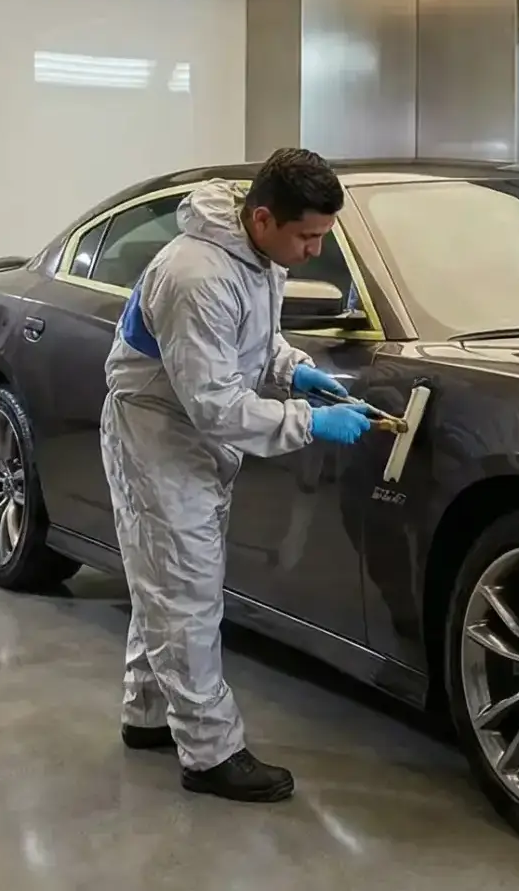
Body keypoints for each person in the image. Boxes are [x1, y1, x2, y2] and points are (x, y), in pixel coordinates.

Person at [100, 147, 377, 803]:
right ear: (261, 217)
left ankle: (147, 714)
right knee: (188, 593)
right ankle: (210, 751)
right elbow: (218, 407)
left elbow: (253, 339)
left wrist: (292, 369)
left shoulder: (257, 256)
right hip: (161, 436)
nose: (314, 250)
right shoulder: (198, 276)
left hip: (190, 430)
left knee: (165, 584)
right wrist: (308, 422)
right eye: (307, 236)